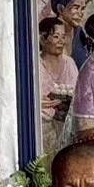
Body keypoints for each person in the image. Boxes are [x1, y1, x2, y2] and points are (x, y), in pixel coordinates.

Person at [38, 17, 78, 153]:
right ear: (42, 39)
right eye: (56, 36)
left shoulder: (69, 63)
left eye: (63, 37)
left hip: (67, 126)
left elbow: (77, 94)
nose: (61, 41)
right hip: (43, 129)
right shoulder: (35, 65)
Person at [50, 0, 91, 66]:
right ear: (61, 9)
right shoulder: (49, 33)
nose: (80, 13)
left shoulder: (80, 33)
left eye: (82, 8)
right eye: (76, 7)